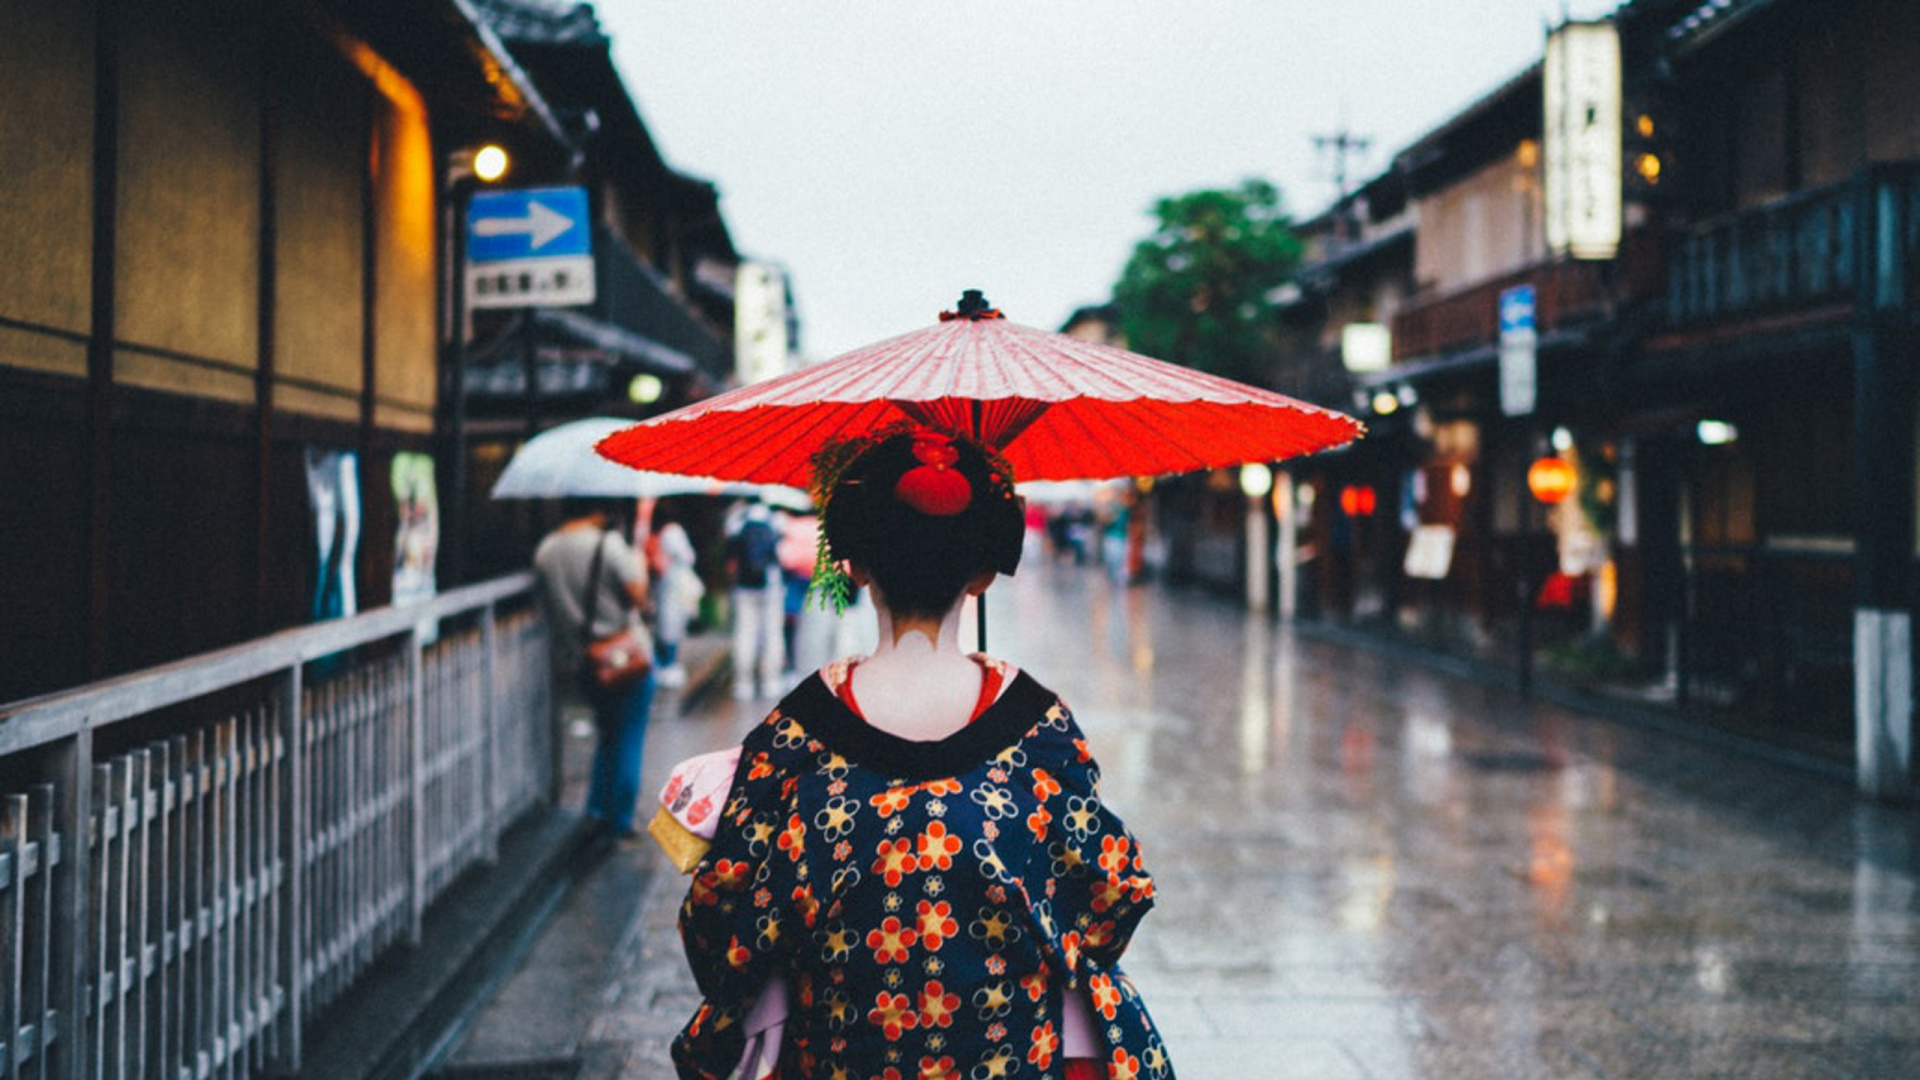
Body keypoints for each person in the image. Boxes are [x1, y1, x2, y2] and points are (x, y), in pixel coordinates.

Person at [672, 428, 1172, 1080]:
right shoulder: (1038, 728)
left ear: (851, 561)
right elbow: (1110, 900)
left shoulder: (795, 736)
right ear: (986, 569)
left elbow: (718, 929)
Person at [533, 499, 657, 838]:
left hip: (582, 659)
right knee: (628, 736)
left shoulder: (546, 551)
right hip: (623, 656)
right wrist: (640, 560)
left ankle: (596, 808)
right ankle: (620, 820)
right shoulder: (609, 544)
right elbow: (640, 598)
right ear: (598, 509)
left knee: (606, 733)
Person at [725, 501, 786, 700]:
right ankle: (770, 681)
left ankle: (744, 683)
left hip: (744, 586)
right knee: (773, 633)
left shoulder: (736, 521)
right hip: (771, 585)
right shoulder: (776, 520)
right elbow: (781, 556)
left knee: (744, 632)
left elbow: (730, 560)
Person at [651, 501, 701, 689]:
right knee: (672, 623)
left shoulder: (656, 533)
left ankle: (664, 664)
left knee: (664, 623)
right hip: (674, 584)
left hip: (663, 583)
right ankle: (669, 665)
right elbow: (688, 556)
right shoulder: (673, 532)